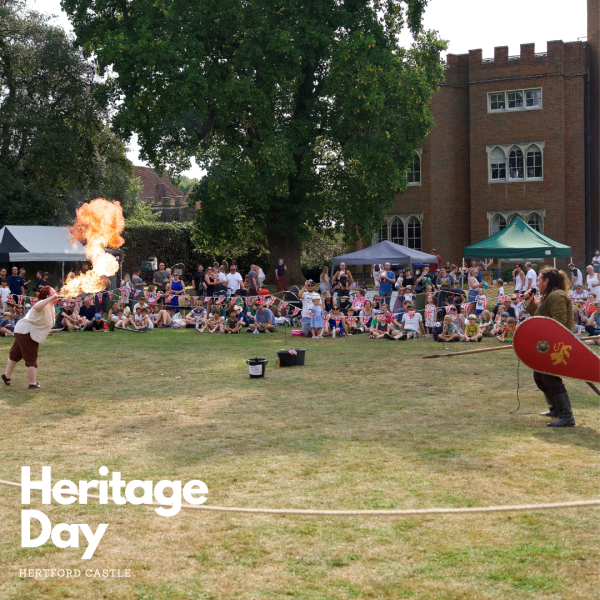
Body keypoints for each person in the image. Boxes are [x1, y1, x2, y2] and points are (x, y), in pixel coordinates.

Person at [522, 267, 575, 427]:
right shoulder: (550, 296)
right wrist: (530, 303)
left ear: (547, 281)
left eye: (539, 279)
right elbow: (540, 317)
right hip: (550, 343)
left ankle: (567, 416)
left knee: (550, 378)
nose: (537, 283)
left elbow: (559, 322)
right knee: (540, 377)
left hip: (558, 345)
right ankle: (556, 409)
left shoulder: (557, 296)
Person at [2, 286, 57, 389]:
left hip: (23, 331)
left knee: (15, 355)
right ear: (48, 296)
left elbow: (43, 322)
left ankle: (6, 376)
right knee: (31, 357)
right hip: (26, 332)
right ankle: (32, 383)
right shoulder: (42, 305)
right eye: (53, 293)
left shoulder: (50, 306)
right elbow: (37, 306)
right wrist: (51, 298)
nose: (56, 294)